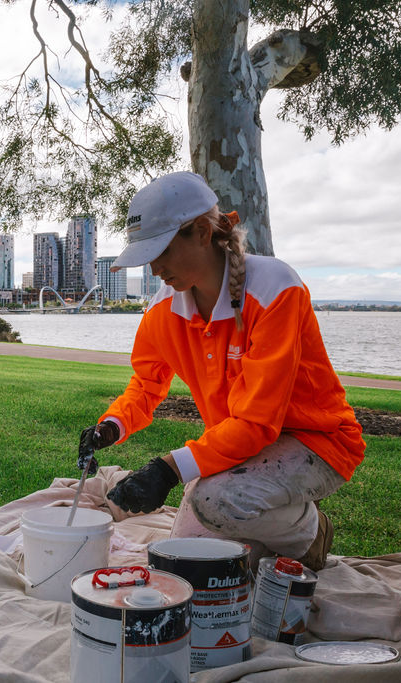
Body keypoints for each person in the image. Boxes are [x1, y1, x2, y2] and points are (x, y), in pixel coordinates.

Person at [79, 171, 365, 571]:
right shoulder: (162, 311)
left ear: (200, 232)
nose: (154, 267)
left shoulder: (275, 288)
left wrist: (169, 468)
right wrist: (111, 425)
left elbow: (257, 422)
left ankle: (310, 531)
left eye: (160, 250)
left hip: (318, 443)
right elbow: (146, 385)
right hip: (235, 447)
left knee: (215, 501)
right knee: (184, 556)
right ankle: (270, 542)